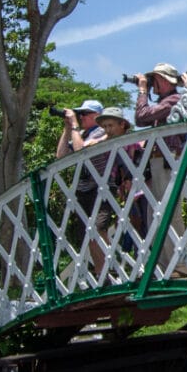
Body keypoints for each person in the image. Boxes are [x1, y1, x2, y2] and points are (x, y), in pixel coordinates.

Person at [133, 62, 187, 269]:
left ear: (163, 80)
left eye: (154, 80)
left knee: (168, 213)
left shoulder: (174, 100)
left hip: (166, 161)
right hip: (158, 161)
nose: (151, 84)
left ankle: (175, 264)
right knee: (156, 213)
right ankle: (164, 264)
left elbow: (141, 117)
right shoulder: (165, 101)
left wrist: (142, 90)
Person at [92, 107, 146, 274]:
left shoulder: (132, 142)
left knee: (140, 223)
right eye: (105, 126)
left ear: (122, 125)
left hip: (138, 188)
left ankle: (140, 263)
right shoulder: (107, 144)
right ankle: (126, 263)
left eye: (111, 125)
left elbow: (139, 163)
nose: (108, 130)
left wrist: (133, 182)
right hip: (120, 189)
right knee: (126, 224)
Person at [55, 98, 106, 263]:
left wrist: (75, 124)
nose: (81, 117)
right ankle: (100, 273)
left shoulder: (101, 131)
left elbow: (80, 152)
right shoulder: (82, 134)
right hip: (84, 189)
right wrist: (67, 128)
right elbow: (61, 155)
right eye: (80, 114)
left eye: (85, 113)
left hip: (100, 187)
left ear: (97, 115)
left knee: (98, 229)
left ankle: (109, 268)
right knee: (88, 232)